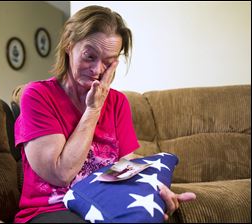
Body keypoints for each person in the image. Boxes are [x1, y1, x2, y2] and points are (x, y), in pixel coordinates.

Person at [14, 5, 196, 223]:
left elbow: (123, 168)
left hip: (103, 205)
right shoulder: (38, 96)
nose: (97, 70)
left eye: (108, 62)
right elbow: (61, 174)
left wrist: (155, 189)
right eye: (90, 56)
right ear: (68, 45)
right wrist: (93, 109)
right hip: (50, 210)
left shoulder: (118, 102)